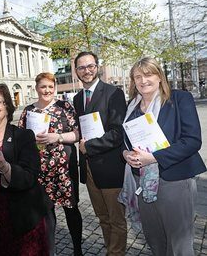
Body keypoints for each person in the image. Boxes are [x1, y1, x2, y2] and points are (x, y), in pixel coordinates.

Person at [122, 57, 206, 255]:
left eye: (149, 74)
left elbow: (192, 140)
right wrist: (125, 153)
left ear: (160, 76)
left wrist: (153, 158)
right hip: (142, 182)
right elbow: (125, 141)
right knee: (155, 241)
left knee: (179, 245)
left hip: (175, 180)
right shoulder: (132, 106)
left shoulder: (179, 99)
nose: (144, 81)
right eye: (138, 77)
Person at [0, 80, 52, 256]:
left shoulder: (23, 136)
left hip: (23, 221)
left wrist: (5, 167)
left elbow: (29, 177)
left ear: (7, 107)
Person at [18, 72, 82, 256]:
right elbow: (22, 138)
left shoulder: (65, 107)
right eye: (43, 86)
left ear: (54, 88)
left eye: (50, 87)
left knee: (71, 208)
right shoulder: (29, 111)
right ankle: (50, 251)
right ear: (37, 88)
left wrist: (58, 137)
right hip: (40, 167)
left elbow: (78, 134)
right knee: (46, 210)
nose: (47, 90)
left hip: (64, 167)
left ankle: (78, 250)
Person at [72, 51, 127, 255]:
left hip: (110, 166)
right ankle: (110, 251)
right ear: (76, 71)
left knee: (116, 219)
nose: (87, 71)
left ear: (97, 67)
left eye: (90, 66)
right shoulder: (78, 99)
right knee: (103, 218)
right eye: (81, 67)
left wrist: (90, 147)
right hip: (89, 168)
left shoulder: (114, 93)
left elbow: (118, 132)